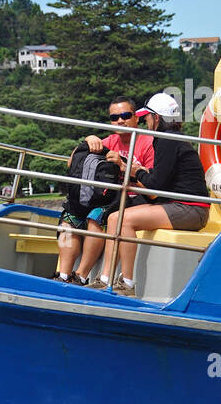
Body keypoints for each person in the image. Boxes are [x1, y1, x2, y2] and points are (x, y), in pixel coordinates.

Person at [89, 93, 209, 297]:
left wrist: (132, 169)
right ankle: (105, 279)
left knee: (124, 220)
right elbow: (160, 180)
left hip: (191, 209)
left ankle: (126, 283)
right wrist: (133, 171)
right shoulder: (171, 140)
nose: (145, 121)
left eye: (147, 117)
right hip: (183, 205)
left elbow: (156, 183)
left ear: (157, 118)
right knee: (113, 217)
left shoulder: (166, 141)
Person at [52, 97, 155, 285]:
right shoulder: (108, 141)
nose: (120, 121)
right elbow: (71, 163)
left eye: (125, 115)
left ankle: (81, 275)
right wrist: (86, 142)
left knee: (96, 216)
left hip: (133, 198)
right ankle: (64, 275)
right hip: (106, 196)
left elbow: (153, 185)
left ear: (136, 118)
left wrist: (123, 166)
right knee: (69, 219)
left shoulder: (149, 144)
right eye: (114, 117)